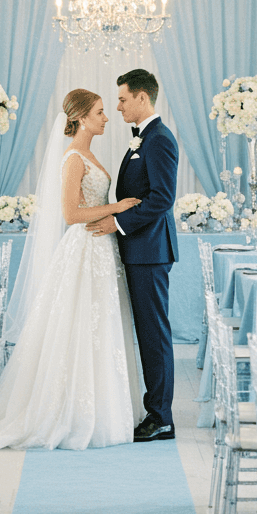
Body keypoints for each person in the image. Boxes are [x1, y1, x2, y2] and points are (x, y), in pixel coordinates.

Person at [0, 88, 143, 451]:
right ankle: (71, 411)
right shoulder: (74, 157)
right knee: (79, 326)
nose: (106, 117)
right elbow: (71, 214)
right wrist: (116, 208)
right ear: (82, 117)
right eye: (101, 112)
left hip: (101, 250)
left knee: (101, 326)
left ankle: (106, 406)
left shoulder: (88, 152)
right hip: (84, 247)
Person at [86, 69, 178, 442]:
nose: (119, 106)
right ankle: (152, 409)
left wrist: (117, 223)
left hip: (150, 251)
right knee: (145, 333)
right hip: (138, 250)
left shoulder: (158, 140)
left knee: (154, 335)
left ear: (142, 97)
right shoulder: (143, 139)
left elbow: (162, 198)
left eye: (123, 99)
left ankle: (161, 417)